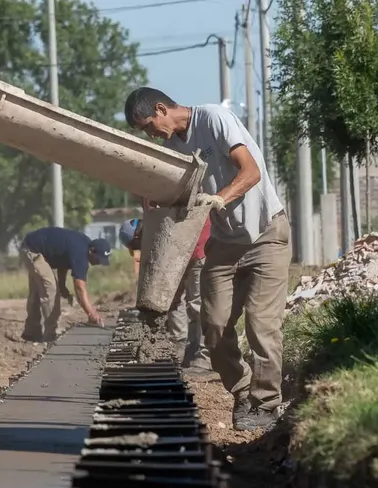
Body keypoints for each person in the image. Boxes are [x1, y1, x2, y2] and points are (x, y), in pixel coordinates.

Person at [123, 87, 291, 432]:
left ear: (161, 109)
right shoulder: (174, 150)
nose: (152, 135)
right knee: (213, 324)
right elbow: (177, 199)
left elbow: (251, 171)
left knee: (261, 325)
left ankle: (267, 405)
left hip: (265, 235)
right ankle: (243, 390)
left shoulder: (214, 118)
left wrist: (219, 198)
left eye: (149, 127)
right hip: (225, 244)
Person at [118, 213, 214, 378]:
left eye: (137, 246)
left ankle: (205, 358)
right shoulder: (154, 225)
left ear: (138, 236)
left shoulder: (157, 231)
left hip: (198, 249)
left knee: (197, 305)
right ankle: (181, 348)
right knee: (173, 301)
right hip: (179, 253)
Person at [20, 226, 111, 342]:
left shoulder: (82, 245)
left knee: (38, 291)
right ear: (91, 251)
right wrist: (91, 313)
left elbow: (63, 262)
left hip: (31, 245)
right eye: (98, 259)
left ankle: (31, 333)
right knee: (50, 289)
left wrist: (62, 286)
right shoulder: (80, 253)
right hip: (33, 250)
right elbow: (79, 288)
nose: (98, 263)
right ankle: (51, 335)